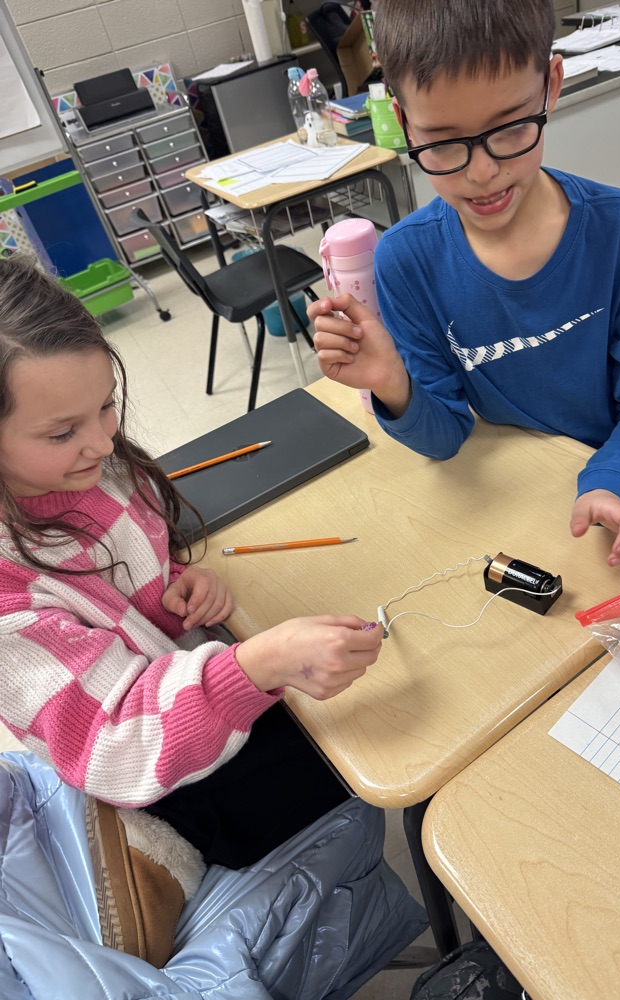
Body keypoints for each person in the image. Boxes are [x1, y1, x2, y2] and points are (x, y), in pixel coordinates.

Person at [309, 0, 620, 577]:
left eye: (512, 128)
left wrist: (611, 481)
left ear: (551, 86)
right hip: (547, 486)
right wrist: (394, 385)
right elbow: (446, 439)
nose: (483, 172)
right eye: (442, 142)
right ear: (402, 119)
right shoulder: (407, 260)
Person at [0, 253, 385, 869]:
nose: (102, 442)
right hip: (168, 773)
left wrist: (176, 590)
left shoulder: (97, 467)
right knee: (351, 771)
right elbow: (116, 742)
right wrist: (256, 666)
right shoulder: (7, 610)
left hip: (195, 690)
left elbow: (129, 578)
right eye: (61, 432)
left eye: (105, 405)